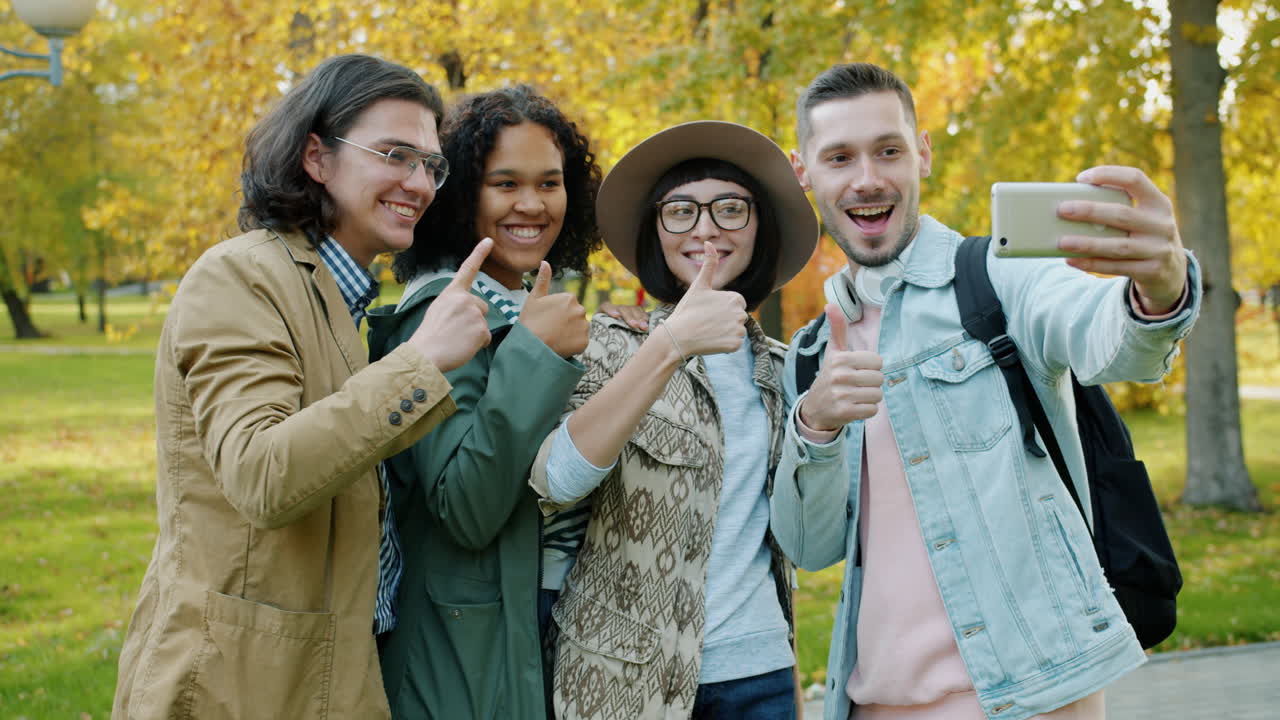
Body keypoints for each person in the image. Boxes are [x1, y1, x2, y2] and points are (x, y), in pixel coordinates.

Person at [770, 62, 1201, 720]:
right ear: (805, 173)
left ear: (923, 154)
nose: (867, 178)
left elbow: (1109, 336)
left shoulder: (997, 274)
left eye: (889, 150)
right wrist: (815, 427)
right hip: (874, 704)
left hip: (1035, 696)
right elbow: (810, 547)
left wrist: (1160, 289)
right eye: (839, 157)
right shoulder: (811, 351)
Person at [112, 55, 494, 720]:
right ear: (317, 157)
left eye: (431, 164)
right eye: (395, 154)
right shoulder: (240, 277)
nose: (420, 182)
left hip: (332, 676)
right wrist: (422, 362)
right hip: (235, 686)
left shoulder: (343, 297)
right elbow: (263, 475)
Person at [528, 121, 874, 720]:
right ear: (655, 229)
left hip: (760, 673)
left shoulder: (788, 370)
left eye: (731, 209)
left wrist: (819, 425)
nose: (706, 228)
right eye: (681, 211)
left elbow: (807, 544)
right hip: (620, 680)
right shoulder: (607, 346)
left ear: (759, 225)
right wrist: (670, 346)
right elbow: (555, 482)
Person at [368, 85, 601, 720]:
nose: (532, 204)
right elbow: (465, 508)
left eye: (550, 183)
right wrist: (535, 356)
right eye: (505, 184)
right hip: (459, 667)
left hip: (520, 642)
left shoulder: (514, 301)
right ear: (462, 193)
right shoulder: (442, 313)